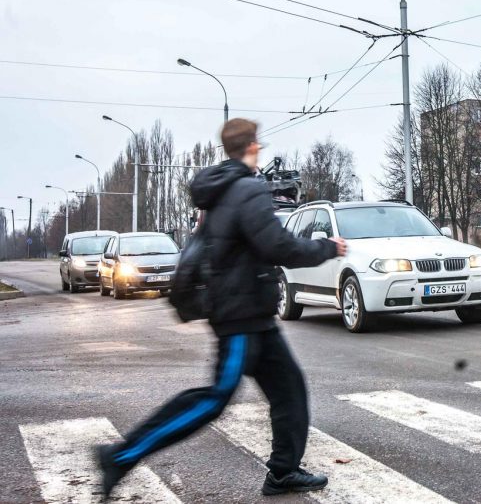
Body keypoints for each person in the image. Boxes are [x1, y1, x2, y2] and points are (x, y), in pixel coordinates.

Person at [97, 118, 347, 498]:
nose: (260, 149)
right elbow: (276, 245)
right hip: (240, 316)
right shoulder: (246, 189)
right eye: (258, 144)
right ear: (251, 146)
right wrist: (328, 248)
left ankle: (283, 471)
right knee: (215, 397)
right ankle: (121, 456)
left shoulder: (227, 191)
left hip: (254, 313)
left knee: (289, 390)